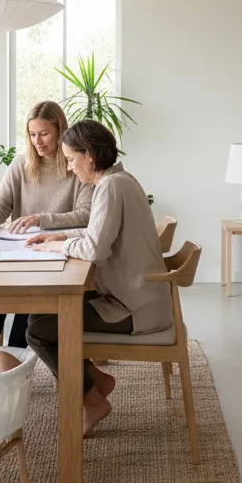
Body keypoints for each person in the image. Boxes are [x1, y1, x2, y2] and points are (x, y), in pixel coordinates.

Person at [24, 119, 171, 436]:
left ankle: (92, 399)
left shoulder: (111, 187)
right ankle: (96, 380)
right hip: (139, 297)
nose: (70, 167)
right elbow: (97, 232)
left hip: (135, 309)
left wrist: (58, 246)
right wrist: (58, 237)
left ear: (89, 155)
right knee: (40, 314)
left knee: (38, 331)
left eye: (71, 159)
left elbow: (93, 248)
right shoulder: (120, 180)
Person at [0, 101, 93, 348]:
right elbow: (0, 203)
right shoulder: (22, 164)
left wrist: (41, 219)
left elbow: (86, 214)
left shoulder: (78, 166)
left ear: (60, 131)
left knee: (26, 304)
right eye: (33, 134)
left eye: (45, 134)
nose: (38, 141)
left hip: (56, 253)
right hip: (19, 248)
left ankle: (14, 363)